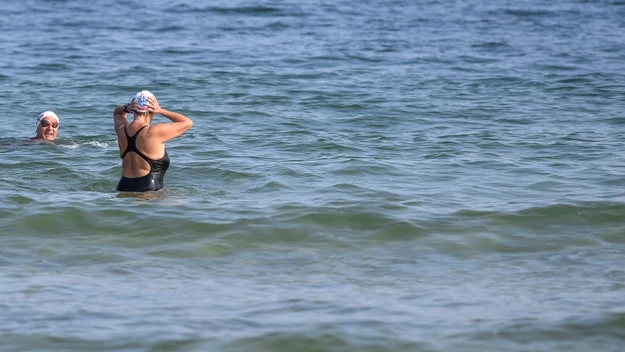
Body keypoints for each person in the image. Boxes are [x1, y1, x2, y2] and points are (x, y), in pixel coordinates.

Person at [113, 90, 193, 192]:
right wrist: (161, 111)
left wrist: (126, 108)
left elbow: (118, 112)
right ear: (152, 111)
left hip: (123, 188)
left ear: (133, 109)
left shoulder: (121, 130)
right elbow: (187, 122)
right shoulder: (155, 132)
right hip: (147, 192)